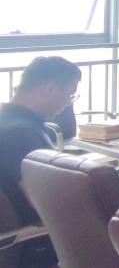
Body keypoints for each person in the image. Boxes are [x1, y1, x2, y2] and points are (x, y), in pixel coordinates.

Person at [0, 56, 80, 267]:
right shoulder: (22, 134)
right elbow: (42, 203)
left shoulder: (8, 120)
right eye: (69, 94)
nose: (67, 104)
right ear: (49, 88)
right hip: (35, 244)